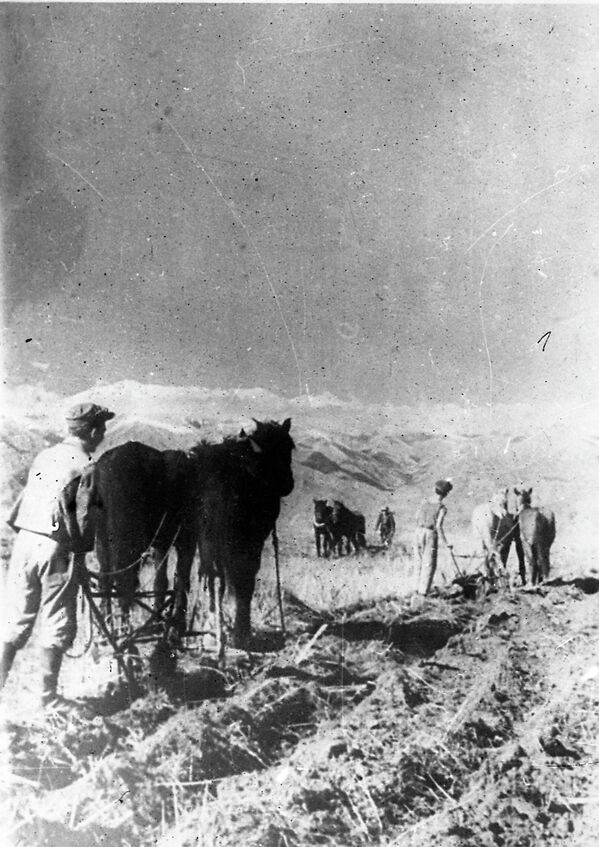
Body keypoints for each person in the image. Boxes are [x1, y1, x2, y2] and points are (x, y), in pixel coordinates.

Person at [1, 402, 114, 710]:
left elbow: (19, 507)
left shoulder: (44, 456)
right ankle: (46, 700)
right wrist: (79, 558)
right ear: (92, 431)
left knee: (15, 620)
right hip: (55, 548)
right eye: (102, 429)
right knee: (57, 622)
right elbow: (84, 519)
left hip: (25, 541)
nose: (103, 434)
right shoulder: (87, 464)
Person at [414, 479, 453, 595]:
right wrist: (446, 544)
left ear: (434, 490)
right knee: (429, 564)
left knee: (418, 562)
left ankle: (416, 590)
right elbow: (439, 527)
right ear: (446, 494)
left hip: (417, 532)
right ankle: (423, 593)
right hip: (430, 534)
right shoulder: (442, 508)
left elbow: (416, 516)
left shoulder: (424, 502)